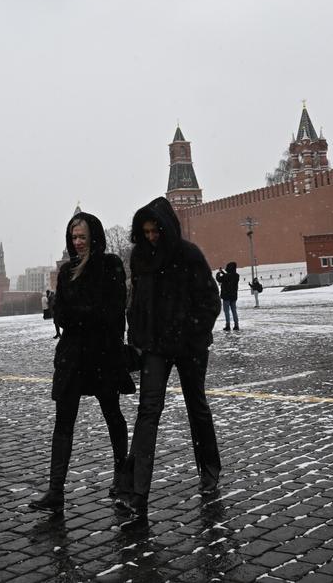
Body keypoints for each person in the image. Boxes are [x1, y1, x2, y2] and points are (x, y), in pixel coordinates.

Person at [119, 196, 223, 528]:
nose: (151, 237)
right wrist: (135, 338)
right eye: (146, 231)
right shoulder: (139, 257)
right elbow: (136, 303)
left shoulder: (189, 255)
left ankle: (209, 471)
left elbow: (210, 300)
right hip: (155, 348)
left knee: (197, 405)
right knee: (148, 411)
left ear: (167, 228)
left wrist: (192, 334)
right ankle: (136, 489)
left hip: (190, 347)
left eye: (156, 231)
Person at [28, 212, 135, 515]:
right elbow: (60, 315)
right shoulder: (66, 272)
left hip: (102, 353)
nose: (77, 243)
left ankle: (121, 476)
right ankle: (55, 490)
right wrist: (82, 314)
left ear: (94, 238)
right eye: (73, 237)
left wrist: (80, 314)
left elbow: (112, 310)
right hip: (73, 356)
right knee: (63, 422)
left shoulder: (109, 265)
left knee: (112, 414)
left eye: (82, 238)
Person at [215, 262, 241, 332]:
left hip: (226, 296)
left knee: (226, 311)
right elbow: (229, 277)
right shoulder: (237, 276)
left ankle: (228, 325)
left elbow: (219, 279)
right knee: (234, 311)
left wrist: (218, 273)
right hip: (233, 296)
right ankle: (236, 325)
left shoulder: (226, 276)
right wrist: (223, 272)